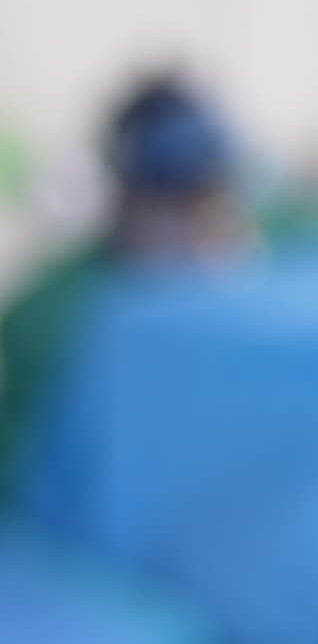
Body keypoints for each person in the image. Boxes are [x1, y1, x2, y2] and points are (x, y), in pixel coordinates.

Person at [0, 75, 248, 485]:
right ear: (123, 197)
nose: (187, 232)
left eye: (201, 207)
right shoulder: (48, 319)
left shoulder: (232, 304)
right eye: (168, 207)